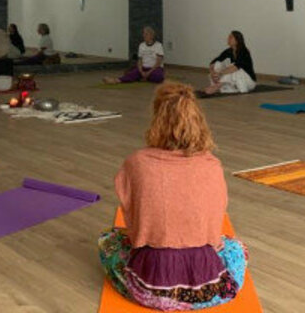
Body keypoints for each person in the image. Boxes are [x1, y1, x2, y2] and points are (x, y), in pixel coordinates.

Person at [98, 83, 248, 309]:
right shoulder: (212, 165)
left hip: (149, 288)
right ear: (198, 120)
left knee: (107, 240)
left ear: (156, 119)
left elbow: (134, 225)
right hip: (209, 290)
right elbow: (215, 227)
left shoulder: (136, 163)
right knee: (237, 247)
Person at [204, 31, 256, 95]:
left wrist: (220, 74)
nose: (228, 39)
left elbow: (236, 67)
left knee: (235, 70)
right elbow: (214, 62)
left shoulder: (244, 51)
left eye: (230, 37)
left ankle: (216, 86)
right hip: (236, 80)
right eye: (228, 37)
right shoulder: (229, 51)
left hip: (248, 81)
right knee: (218, 63)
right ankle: (218, 85)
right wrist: (212, 72)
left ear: (237, 40)